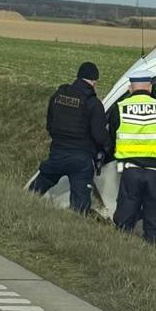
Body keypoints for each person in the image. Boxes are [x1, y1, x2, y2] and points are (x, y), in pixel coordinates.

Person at [29, 61, 109, 213]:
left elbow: (50, 126)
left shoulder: (58, 96)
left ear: (78, 77)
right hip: (81, 160)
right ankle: (76, 225)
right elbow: (100, 136)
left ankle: (20, 205)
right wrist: (107, 150)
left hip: (57, 154)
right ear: (94, 81)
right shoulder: (93, 103)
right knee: (79, 207)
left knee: (37, 189)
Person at [108, 69, 156, 243]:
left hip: (131, 171)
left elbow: (113, 137)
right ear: (149, 87)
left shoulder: (120, 108)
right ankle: (152, 248)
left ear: (131, 87)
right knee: (154, 216)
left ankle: (121, 248)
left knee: (125, 215)